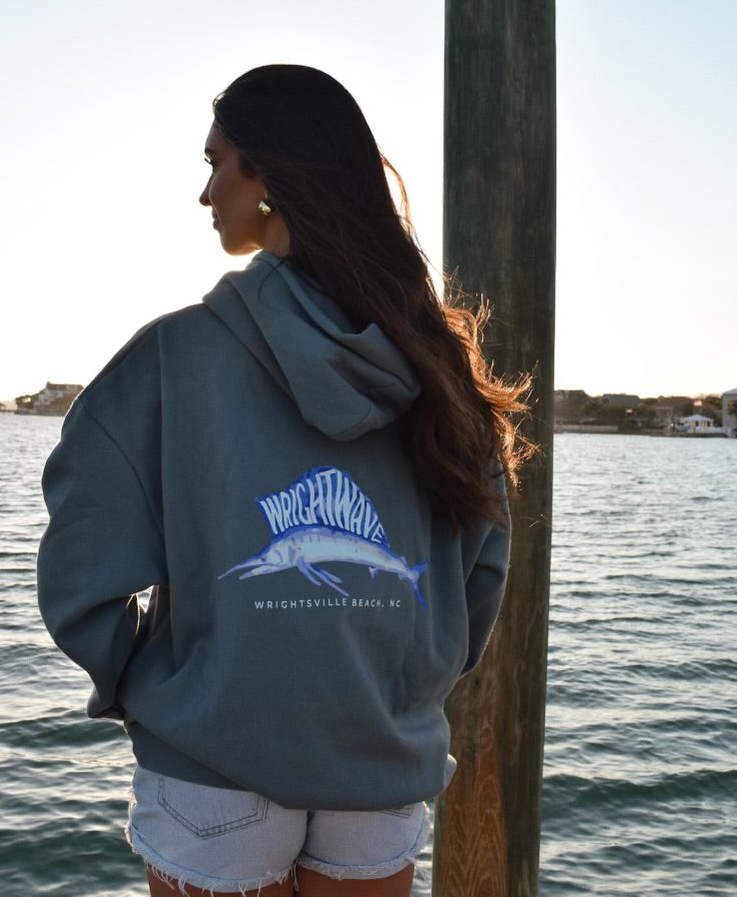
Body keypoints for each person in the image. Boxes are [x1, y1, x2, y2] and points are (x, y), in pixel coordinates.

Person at [38, 64, 528, 897]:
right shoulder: (438, 366)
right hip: (379, 760)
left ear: (267, 174)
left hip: (211, 767)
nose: (204, 193)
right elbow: (480, 573)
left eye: (215, 162)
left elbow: (81, 570)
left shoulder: (171, 357)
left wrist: (162, 689)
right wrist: (398, 690)